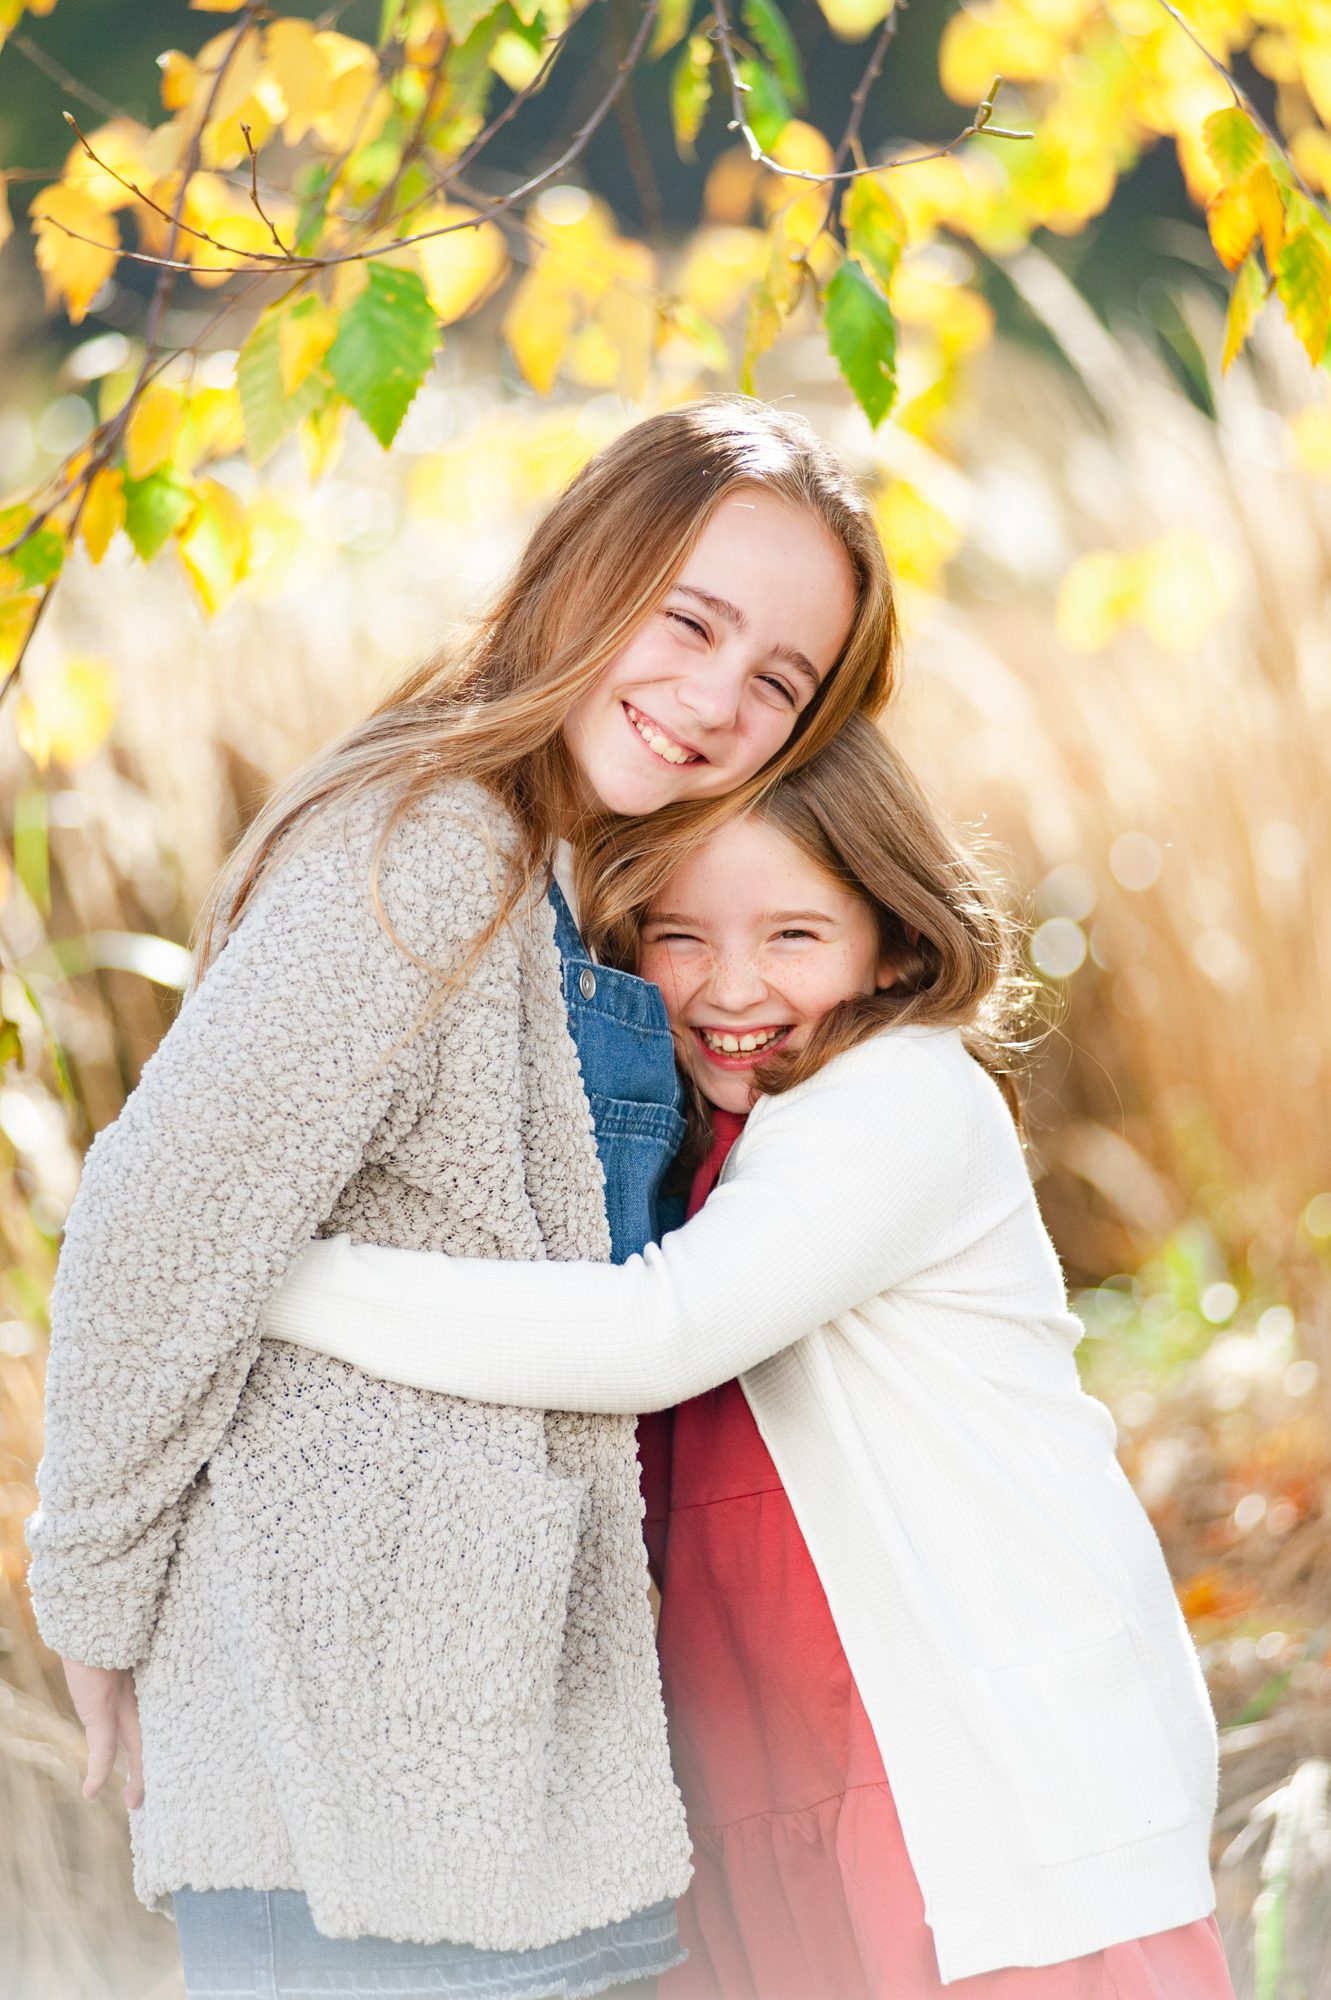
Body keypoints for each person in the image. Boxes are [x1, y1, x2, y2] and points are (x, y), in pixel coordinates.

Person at [25, 396, 899, 2000]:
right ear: (582, 569)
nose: (712, 700)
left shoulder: (574, 881)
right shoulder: (420, 845)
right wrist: (94, 1595)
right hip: (361, 1776)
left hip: (527, 1762)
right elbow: (162, 1225)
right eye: (687, 619)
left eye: (774, 681)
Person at [263, 717, 1237, 1998]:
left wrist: (277, 1273)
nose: (731, 987)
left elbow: (654, 1334)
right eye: (678, 935)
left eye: (792, 935)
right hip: (775, 1763)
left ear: (892, 934)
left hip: (965, 1767)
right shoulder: (704, 1135)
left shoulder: (898, 1095)